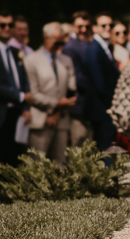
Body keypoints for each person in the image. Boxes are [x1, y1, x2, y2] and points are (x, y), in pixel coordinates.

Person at [0, 12, 33, 201]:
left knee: (13, 159)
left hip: (15, 113)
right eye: (3, 25)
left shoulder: (15, 52)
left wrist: (25, 105)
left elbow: (23, 79)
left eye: (10, 25)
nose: (7, 28)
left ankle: (10, 199)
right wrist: (20, 96)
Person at [24, 23, 77, 162]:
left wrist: (57, 112)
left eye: (61, 42)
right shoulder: (31, 60)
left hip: (61, 121)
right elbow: (33, 94)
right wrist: (56, 104)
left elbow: (72, 90)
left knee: (59, 164)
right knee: (36, 167)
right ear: (45, 38)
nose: (59, 45)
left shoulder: (66, 60)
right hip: (40, 120)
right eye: (56, 41)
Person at [83, 14, 120, 150]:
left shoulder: (105, 46)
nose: (108, 28)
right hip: (101, 108)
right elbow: (100, 84)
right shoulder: (94, 49)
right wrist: (115, 100)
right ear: (94, 28)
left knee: (109, 146)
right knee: (105, 149)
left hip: (105, 108)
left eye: (110, 25)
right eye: (103, 25)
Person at [63, 12, 93, 147]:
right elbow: (77, 78)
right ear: (72, 27)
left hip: (90, 106)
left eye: (87, 26)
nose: (84, 30)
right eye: (80, 26)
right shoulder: (70, 47)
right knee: (78, 147)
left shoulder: (88, 43)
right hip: (79, 106)